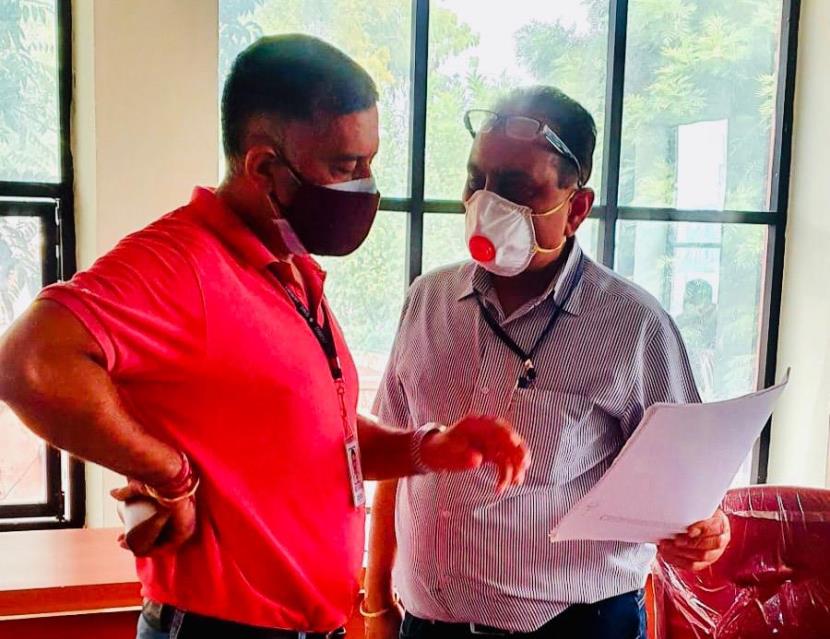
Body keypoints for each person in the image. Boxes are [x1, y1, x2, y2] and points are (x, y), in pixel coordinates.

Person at [0, 35, 530, 639]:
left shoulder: (290, 269)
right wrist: (168, 472)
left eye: (370, 162)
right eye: (345, 167)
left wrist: (425, 449)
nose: (366, 185)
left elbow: (318, 438)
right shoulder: (184, 262)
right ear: (263, 167)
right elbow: (26, 364)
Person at [363, 87, 731, 639]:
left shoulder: (632, 324)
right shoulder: (428, 300)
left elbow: (691, 490)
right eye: (476, 180)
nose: (486, 204)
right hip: (427, 624)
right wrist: (376, 603)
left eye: (516, 189)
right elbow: (397, 454)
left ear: (576, 208)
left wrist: (704, 529)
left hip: (577, 625)